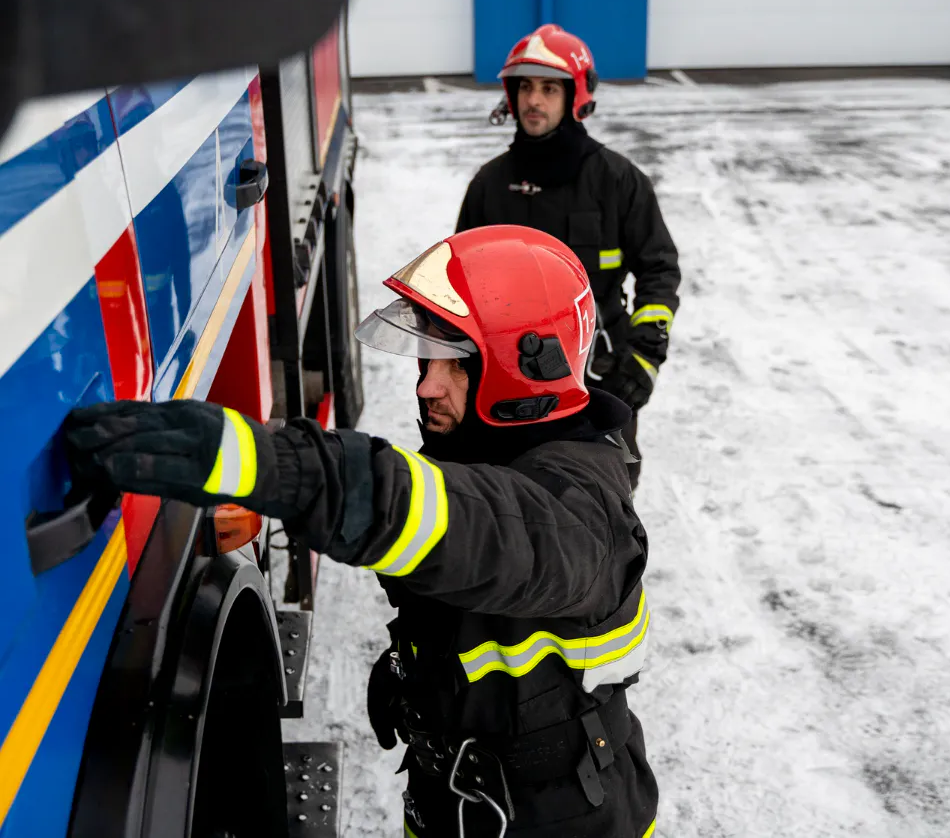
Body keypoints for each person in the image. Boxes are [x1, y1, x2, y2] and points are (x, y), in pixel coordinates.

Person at [63, 225, 658, 837]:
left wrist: (282, 468)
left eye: (454, 365)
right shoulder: (492, 454)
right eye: (428, 359)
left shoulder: (583, 510)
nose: (426, 385)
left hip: (563, 820)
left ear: (519, 369)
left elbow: (477, 529)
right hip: (463, 800)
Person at [458, 24, 681, 493]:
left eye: (549, 88)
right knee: (507, 507)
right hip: (504, 383)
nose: (533, 100)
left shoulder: (619, 182)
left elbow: (659, 269)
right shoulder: (489, 186)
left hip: (599, 377)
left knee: (602, 510)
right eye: (525, 87)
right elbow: (459, 286)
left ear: (575, 96)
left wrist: (642, 358)